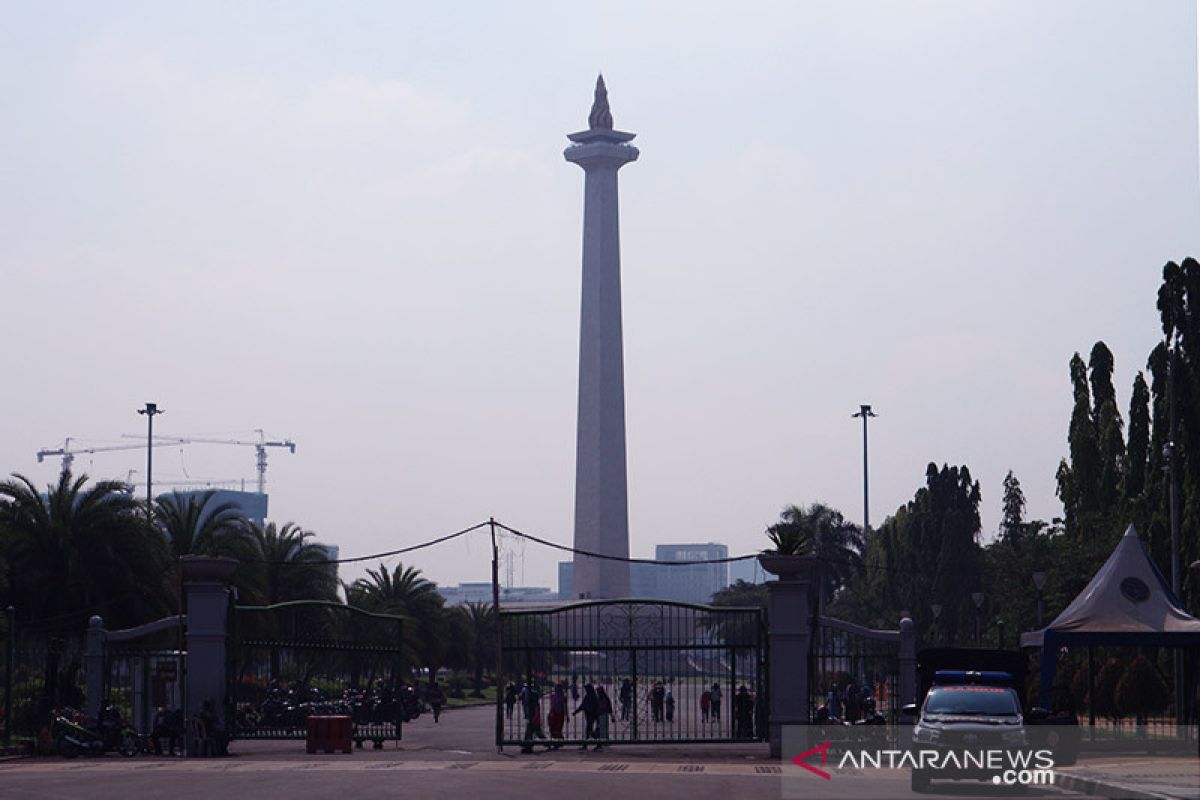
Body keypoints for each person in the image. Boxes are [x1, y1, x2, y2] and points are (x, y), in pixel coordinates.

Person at [572, 683, 598, 749]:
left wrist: (576, 712)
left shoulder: (592, 697)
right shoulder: (589, 696)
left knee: (588, 730)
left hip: (591, 715)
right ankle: (596, 742)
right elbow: (583, 705)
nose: (586, 690)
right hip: (589, 715)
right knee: (589, 730)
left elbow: (584, 706)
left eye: (587, 689)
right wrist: (575, 712)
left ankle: (595, 742)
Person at [521, 683, 545, 753]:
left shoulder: (529, 695)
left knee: (531, 732)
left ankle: (527, 746)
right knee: (536, 732)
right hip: (532, 716)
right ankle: (527, 746)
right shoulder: (530, 695)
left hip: (533, 717)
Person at [547, 683, 567, 749]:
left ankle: (558, 742)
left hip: (559, 713)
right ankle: (558, 742)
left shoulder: (562, 696)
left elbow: (564, 706)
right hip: (555, 713)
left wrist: (566, 715)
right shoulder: (553, 695)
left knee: (558, 728)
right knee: (554, 728)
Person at [594, 686, 613, 751]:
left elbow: (609, 707)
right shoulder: (603, 698)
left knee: (603, 729)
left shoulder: (602, 698)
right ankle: (604, 741)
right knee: (603, 728)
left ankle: (603, 741)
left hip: (603, 714)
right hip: (602, 714)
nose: (597, 693)